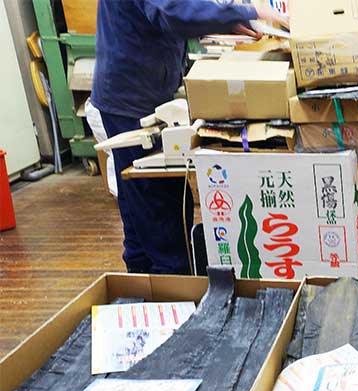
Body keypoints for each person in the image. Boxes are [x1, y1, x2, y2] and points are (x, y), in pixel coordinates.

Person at [91, 0, 288, 274]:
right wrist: (248, 13)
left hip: (141, 87)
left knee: (139, 200)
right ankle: (171, 285)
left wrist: (226, 22)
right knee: (157, 202)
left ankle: (142, 282)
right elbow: (172, 11)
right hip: (132, 97)